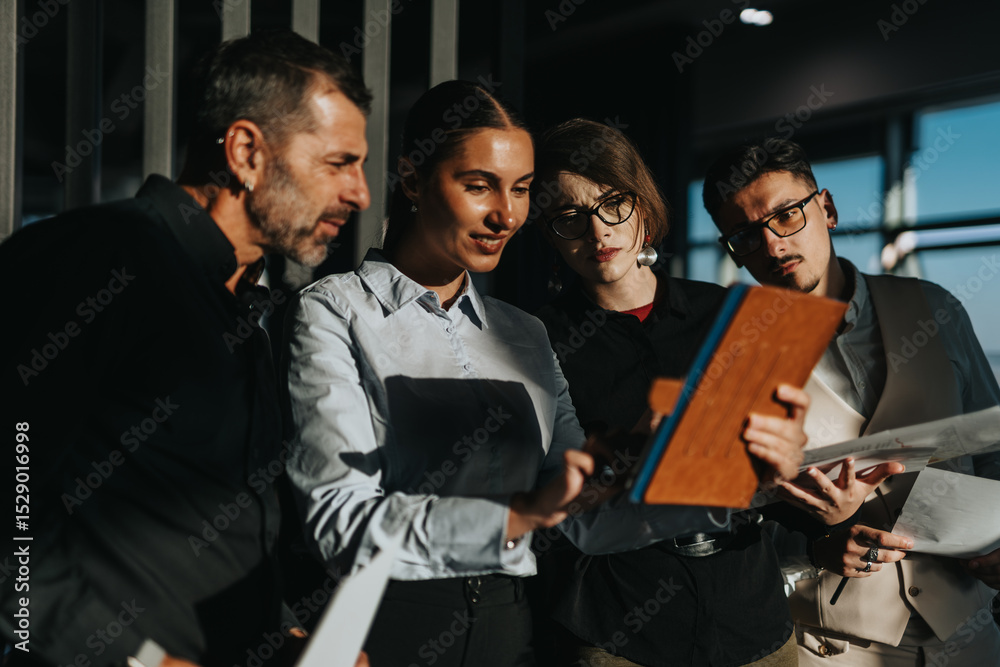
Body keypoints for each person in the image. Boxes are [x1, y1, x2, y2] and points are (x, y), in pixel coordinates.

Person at [282, 83, 789, 667]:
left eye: (521, 190)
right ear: (414, 178)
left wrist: (730, 483)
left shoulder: (522, 332)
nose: (507, 214)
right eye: (479, 186)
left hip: (512, 629)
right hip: (386, 626)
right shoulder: (333, 312)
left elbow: (590, 525)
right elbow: (338, 526)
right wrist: (521, 512)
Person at [1, 30, 370, 667]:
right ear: (247, 152)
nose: (360, 192)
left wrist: (279, 637)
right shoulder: (94, 260)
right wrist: (134, 658)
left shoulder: (244, 303)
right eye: (339, 163)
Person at [529, 118, 853, 667]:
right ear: (550, 234)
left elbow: (765, 475)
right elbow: (543, 501)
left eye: (612, 205)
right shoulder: (534, 340)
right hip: (618, 630)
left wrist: (830, 515)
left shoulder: (731, 316)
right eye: (569, 218)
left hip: (753, 621)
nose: (599, 231)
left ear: (643, 208)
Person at [702, 137, 1000, 666]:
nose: (772, 246)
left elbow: (995, 450)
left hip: (969, 621)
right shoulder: (733, 360)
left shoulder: (935, 308)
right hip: (834, 643)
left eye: (786, 216)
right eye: (745, 235)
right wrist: (816, 543)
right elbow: (721, 524)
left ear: (828, 209)